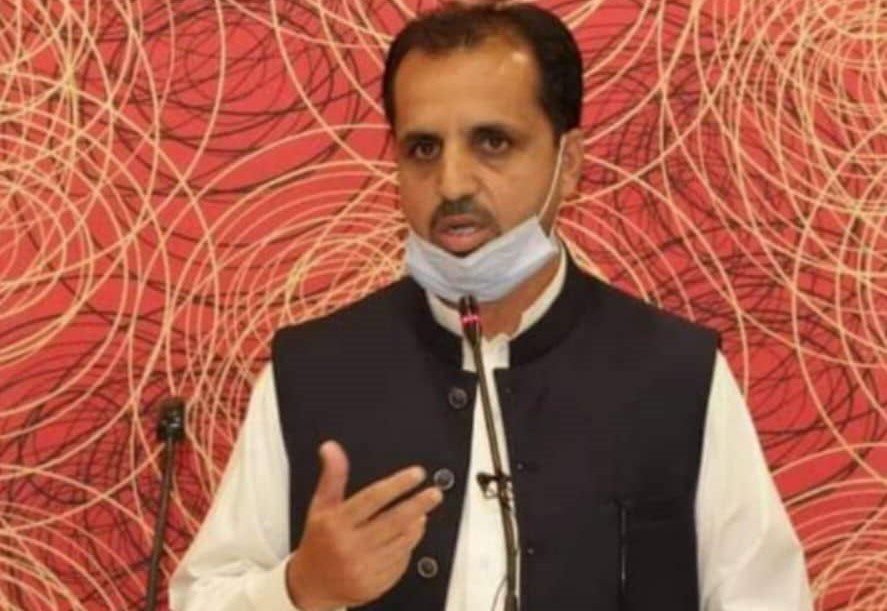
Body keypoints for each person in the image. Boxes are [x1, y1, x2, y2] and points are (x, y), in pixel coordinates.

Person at [170, 4, 812, 610]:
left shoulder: (676, 374)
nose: (452, 183)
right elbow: (205, 595)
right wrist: (300, 588)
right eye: (424, 149)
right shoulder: (312, 372)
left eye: (493, 143)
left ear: (569, 163)